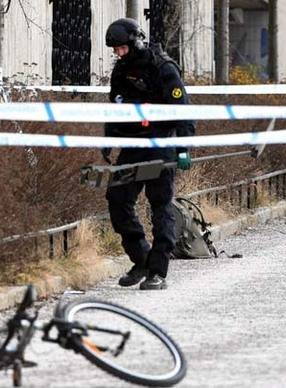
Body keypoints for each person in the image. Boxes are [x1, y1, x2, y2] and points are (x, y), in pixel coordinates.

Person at [102, 18, 195, 290]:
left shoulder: (162, 68)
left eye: (121, 48)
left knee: (160, 205)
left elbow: (183, 111)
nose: (118, 54)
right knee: (117, 199)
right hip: (131, 146)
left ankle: (158, 270)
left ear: (135, 42)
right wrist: (109, 140)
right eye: (115, 50)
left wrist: (183, 148)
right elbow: (115, 109)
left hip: (159, 145)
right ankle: (141, 258)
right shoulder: (120, 71)